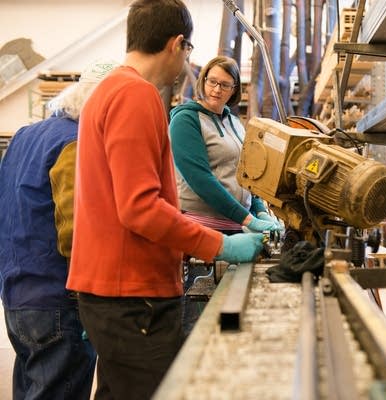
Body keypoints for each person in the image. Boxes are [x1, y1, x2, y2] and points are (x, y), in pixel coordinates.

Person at [65, 1, 264, 399]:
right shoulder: (135, 96)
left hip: (114, 292)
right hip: (134, 297)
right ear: (177, 45)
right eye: (189, 51)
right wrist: (221, 244)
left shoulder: (106, 92)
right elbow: (140, 208)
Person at [0, 59, 118, 400]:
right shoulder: (77, 144)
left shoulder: (25, 136)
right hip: (57, 301)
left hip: (17, 296)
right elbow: (77, 232)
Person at [168, 56, 282, 333]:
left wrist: (261, 210)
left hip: (237, 233)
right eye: (212, 81)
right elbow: (201, 180)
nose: (216, 89)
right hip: (201, 236)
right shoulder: (186, 120)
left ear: (234, 91)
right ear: (203, 81)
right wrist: (248, 220)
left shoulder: (235, 122)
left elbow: (248, 173)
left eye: (225, 85)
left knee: (229, 321)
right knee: (197, 326)